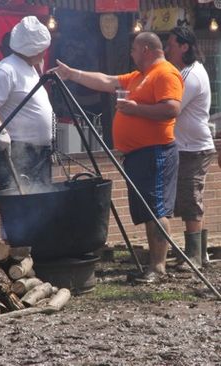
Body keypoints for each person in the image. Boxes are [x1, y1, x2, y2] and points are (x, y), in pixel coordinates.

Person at [51, 32, 183, 283]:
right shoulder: (137, 77)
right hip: (138, 154)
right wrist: (73, 74)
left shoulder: (165, 73)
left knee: (156, 209)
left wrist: (136, 109)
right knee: (147, 209)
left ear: (146, 49)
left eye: (134, 49)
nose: (131, 54)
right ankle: (153, 265)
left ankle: (158, 267)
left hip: (156, 151)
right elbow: (106, 80)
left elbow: (171, 108)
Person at [0, 16, 53, 194]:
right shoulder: (6, 69)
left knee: (43, 208)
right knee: (18, 209)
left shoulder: (31, 69)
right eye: (43, 49)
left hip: (40, 154)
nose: (45, 53)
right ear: (33, 49)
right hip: (18, 152)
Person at [165, 27, 215, 269]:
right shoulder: (186, 71)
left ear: (184, 47)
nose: (167, 50)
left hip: (194, 147)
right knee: (187, 198)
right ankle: (198, 254)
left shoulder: (190, 75)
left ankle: (194, 256)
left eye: (171, 45)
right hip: (187, 146)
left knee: (190, 197)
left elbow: (172, 106)